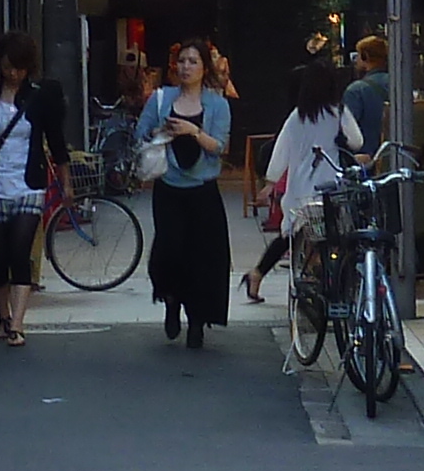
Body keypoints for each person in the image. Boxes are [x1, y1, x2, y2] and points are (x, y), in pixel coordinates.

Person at [0, 31, 68, 348]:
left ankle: (17, 323)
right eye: (7, 66)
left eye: (19, 67)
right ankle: (3, 315)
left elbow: (56, 141)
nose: (13, 73)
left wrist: (65, 180)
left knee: (20, 253)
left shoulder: (40, 96)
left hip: (28, 185)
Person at [245, 60, 359, 305]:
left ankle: (257, 274)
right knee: (332, 235)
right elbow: (357, 141)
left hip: (299, 188)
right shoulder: (338, 111)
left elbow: (280, 152)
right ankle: (327, 283)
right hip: (329, 186)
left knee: (291, 235)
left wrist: (270, 183)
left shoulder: (297, 117)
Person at [143, 41, 235, 343]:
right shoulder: (160, 99)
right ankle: (171, 302)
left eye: (193, 61)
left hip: (203, 190)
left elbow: (220, 147)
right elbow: (140, 133)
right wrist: (162, 133)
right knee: (170, 250)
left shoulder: (217, 104)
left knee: (203, 257)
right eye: (182, 61)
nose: (186, 67)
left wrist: (193, 131)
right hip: (168, 187)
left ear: (204, 68)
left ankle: (197, 321)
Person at [341, 33, 393, 153]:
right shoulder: (400, 85)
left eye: (358, 56)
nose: (356, 60)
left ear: (365, 57)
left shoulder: (356, 91)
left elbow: (346, 131)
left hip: (366, 162)